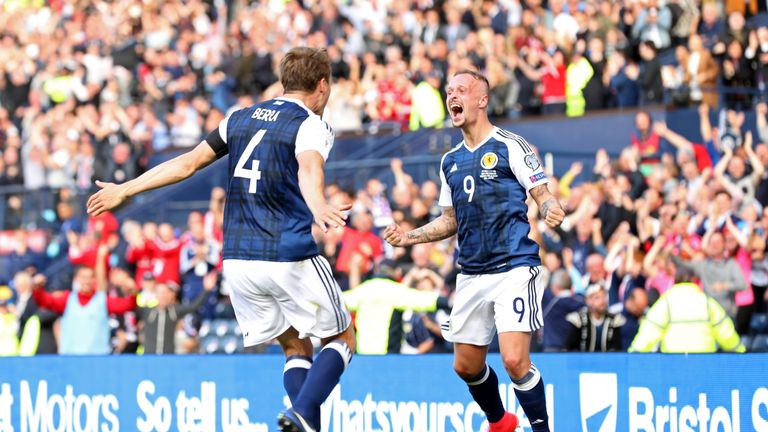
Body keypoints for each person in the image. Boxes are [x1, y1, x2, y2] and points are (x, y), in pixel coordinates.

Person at [86, 47, 353, 432]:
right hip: (286, 252)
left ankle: (304, 422)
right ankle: (304, 413)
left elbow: (187, 163)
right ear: (323, 85)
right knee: (342, 336)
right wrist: (318, 205)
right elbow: (310, 168)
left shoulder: (238, 118)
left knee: (296, 346)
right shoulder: (311, 124)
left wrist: (126, 189)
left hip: (238, 260)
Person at [384, 69, 565, 432]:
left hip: (514, 266)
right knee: (465, 366)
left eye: (462, 90)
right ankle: (500, 421)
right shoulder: (449, 161)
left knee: (515, 360)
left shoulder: (511, 145)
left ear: (482, 100)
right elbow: (448, 220)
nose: (453, 96)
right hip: (471, 272)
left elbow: (542, 195)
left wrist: (549, 209)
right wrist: (410, 237)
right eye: (450, 91)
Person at [630, 268, 745, 353]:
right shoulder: (707, 302)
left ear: (674, 281)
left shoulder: (665, 303)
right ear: (694, 281)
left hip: (673, 363)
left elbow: (649, 332)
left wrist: (633, 353)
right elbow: (726, 332)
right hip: (705, 362)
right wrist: (740, 351)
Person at [565, 284, 626, 352]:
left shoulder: (614, 320)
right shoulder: (578, 319)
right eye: (597, 298)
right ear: (588, 300)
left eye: (604, 297)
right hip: (583, 361)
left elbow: (617, 348)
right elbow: (570, 348)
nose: (602, 301)